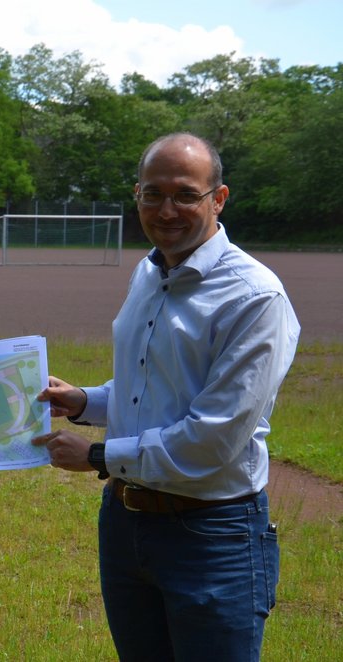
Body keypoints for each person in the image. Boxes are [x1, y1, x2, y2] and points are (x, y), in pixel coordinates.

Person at [32, 132, 300, 662]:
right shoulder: (149, 272)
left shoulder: (254, 296)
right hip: (126, 525)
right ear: (137, 196)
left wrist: (98, 457)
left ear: (218, 198)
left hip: (211, 535)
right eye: (152, 194)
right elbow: (146, 393)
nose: (167, 209)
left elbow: (213, 438)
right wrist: (84, 401)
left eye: (185, 194)